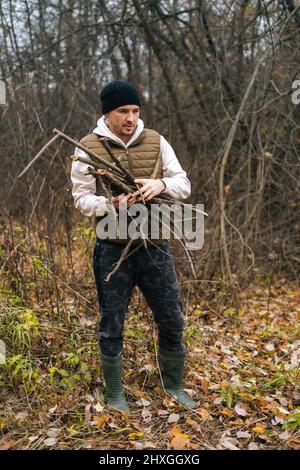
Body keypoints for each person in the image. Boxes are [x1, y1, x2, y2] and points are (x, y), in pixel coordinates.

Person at [71, 80, 197, 411]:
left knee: (172, 318)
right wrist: (110, 204)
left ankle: (174, 387)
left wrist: (160, 183)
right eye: (123, 111)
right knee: (112, 322)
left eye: (135, 110)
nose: (131, 117)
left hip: (154, 246)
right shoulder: (87, 147)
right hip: (113, 249)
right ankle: (114, 394)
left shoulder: (156, 141)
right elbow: (81, 199)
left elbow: (182, 183)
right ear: (107, 113)